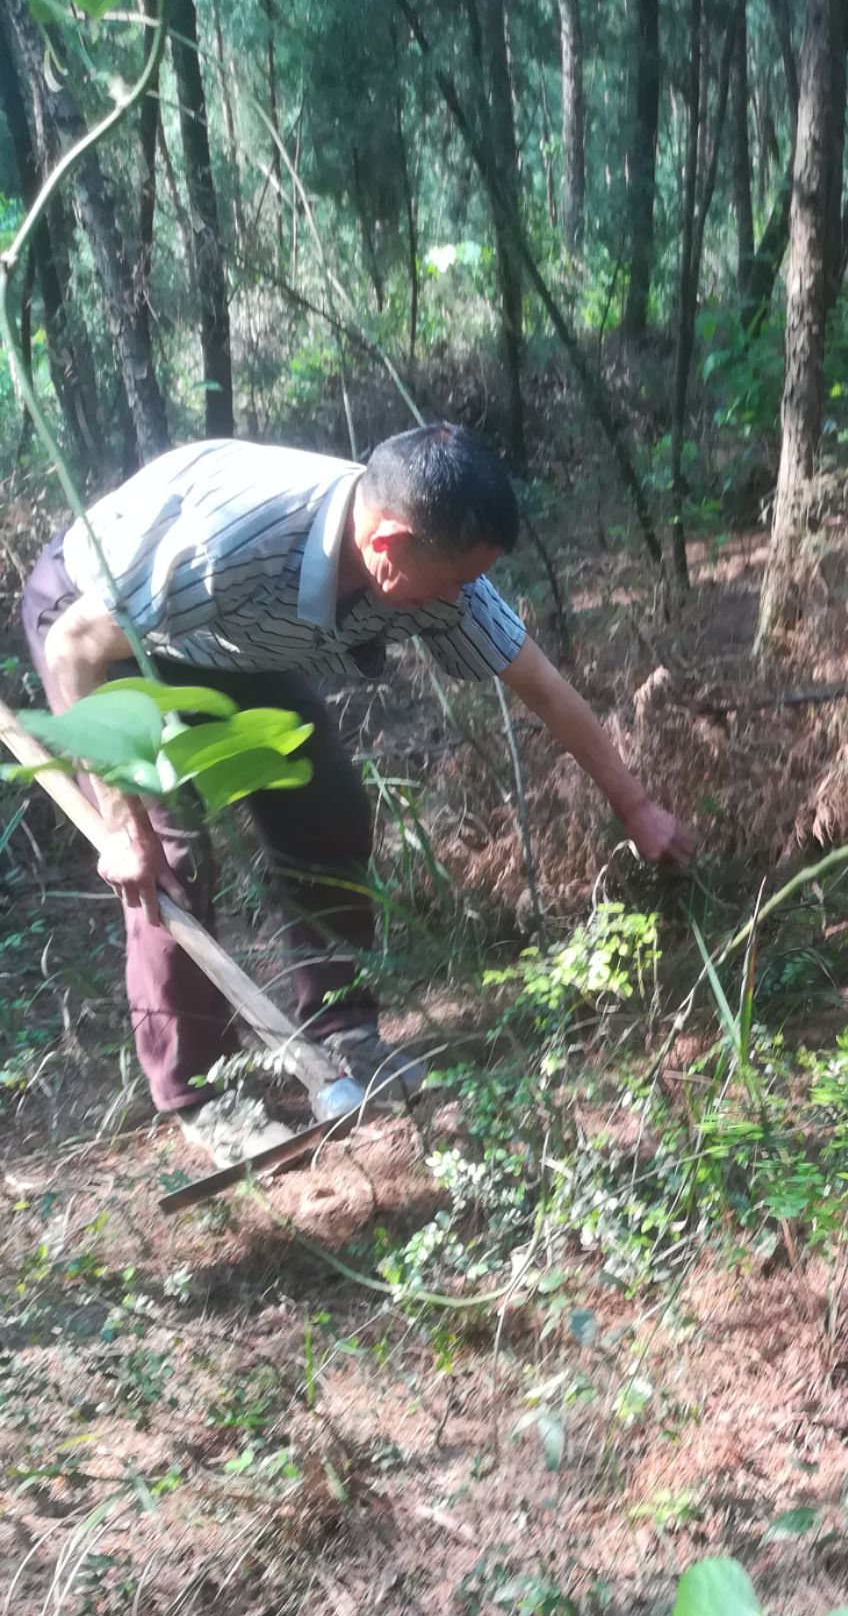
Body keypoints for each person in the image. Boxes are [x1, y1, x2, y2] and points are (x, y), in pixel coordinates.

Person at [19, 422, 694, 1165]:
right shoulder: (231, 543)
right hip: (100, 620)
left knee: (327, 802)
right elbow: (76, 647)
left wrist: (634, 805)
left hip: (225, 641)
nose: (462, 598)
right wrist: (120, 826)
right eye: (452, 581)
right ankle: (202, 1095)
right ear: (388, 546)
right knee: (166, 855)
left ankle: (343, 1031)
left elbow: (542, 685)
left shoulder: (435, 572)